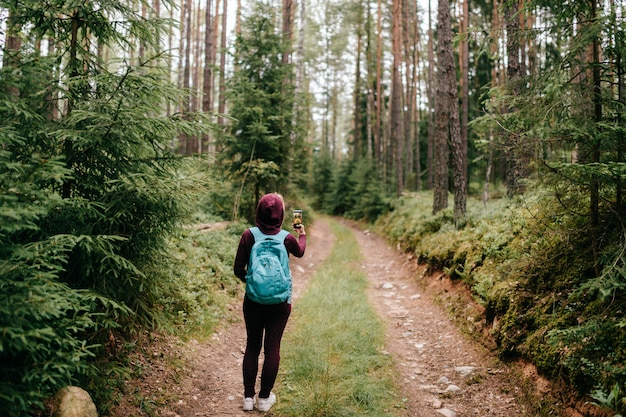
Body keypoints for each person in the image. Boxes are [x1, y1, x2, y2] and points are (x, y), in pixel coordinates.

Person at [233, 193, 306, 412]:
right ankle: (264, 399)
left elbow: (238, 269)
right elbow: (300, 252)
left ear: (259, 211)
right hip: (280, 302)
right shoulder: (286, 238)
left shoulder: (249, 235)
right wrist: (301, 234)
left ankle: (248, 398)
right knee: (272, 347)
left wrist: (253, 282)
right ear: (282, 214)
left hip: (253, 300)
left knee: (252, 346)